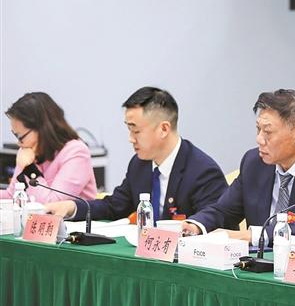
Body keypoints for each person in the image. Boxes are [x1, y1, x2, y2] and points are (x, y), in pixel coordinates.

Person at [182, 89, 295, 245]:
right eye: (258, 129)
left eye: (268, 132)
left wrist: (254, 236)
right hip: (259, 264)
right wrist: (194, 225)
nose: (259, 139)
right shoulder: (254, 162)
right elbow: (223, 211)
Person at [45, 87, 229, 223]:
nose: (130, 139)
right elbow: (114, 206)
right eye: (129, 129)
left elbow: (213, 223)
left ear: (164, 129)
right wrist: (72, 207)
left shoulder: (202, 171)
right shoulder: (140, 164)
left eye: (136, 131)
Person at [3, 92, 97, 202]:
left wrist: (29, 168)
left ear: (41, 129)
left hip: (65, 214)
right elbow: (12, 195)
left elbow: (52, 203)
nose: (19, 143)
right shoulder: (29, 151)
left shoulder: (76, 152)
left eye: (19, 136)